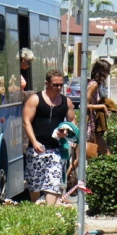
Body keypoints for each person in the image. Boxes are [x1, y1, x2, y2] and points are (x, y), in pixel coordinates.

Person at [22, 69, 76, 205]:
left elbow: (72, 121)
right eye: (55, 85)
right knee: (35, 185)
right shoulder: (35, 99)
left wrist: (69, 134)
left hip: (56, 150)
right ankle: (37, 214)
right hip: (37, 149)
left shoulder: (66, 102)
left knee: (53, 184)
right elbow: (26, 121)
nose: (58, 88)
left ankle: (49, 213)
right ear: (47, 83)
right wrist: (34, 142)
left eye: (61, 85)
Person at [86, 59, 113, 156]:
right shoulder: (94, 85)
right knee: (107, 153)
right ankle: (70, 171)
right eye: (107, 71)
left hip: (92, 123)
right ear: (101, 71)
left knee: (87, 155)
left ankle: (72, 170)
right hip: (90, 124)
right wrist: (102, 106)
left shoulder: (94, 84)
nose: (108, 74)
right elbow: (84, 104)